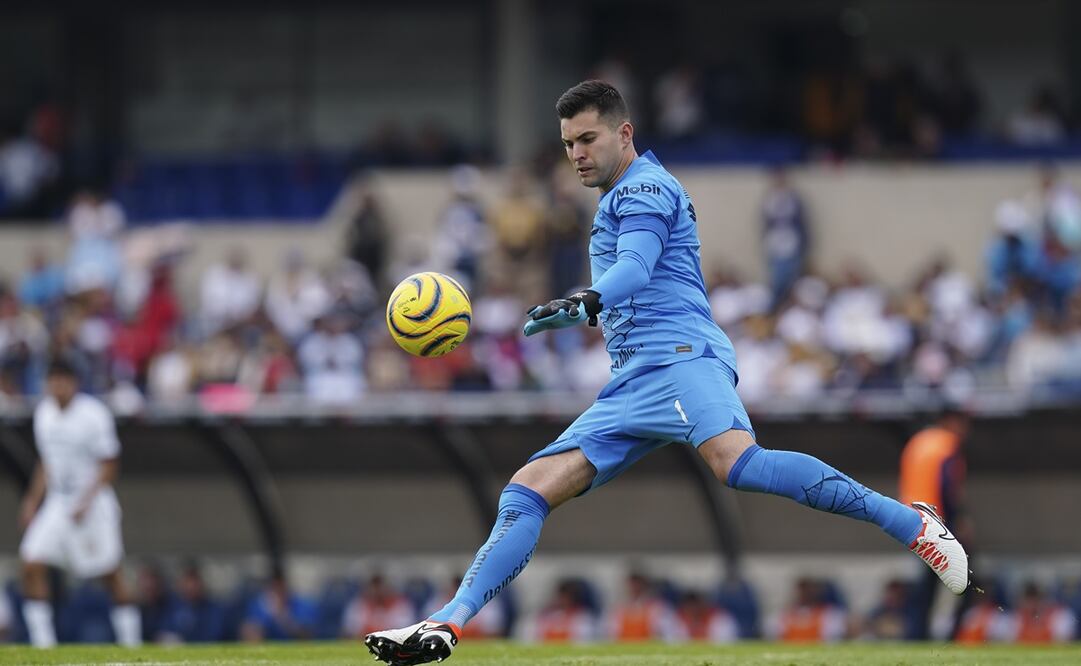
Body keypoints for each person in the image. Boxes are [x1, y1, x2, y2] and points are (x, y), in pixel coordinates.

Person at [365, 80, 970, 665]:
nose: (577, 154)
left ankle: (912, 523)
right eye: (569, 143)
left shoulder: (646, 188)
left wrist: (584, 301)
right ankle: (446, 622)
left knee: (738, 465)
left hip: (682, 359)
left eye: (588, 139)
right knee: (525, 492)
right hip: (632, 380)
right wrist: (583, 308)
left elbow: (635, 267)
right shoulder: (616, 196)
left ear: (624, 134)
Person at [17, 358, 141, 648]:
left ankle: (131, 641)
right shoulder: (44, 414)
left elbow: (109, 464)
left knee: (110, 573)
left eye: (63, 379)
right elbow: (46, 461)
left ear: (75, 383)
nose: (58, 386)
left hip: (93, 504)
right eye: (53, 379)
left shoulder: (93, 415)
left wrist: (86, 501)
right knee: (31, 562)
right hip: (58, 503)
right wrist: (33, 500)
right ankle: (43, 644)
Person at [899, 407, 972, 640]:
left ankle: (916, 633)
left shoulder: (918, 442)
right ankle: (951, 634)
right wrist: (958, 519)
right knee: (965, 578)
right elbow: (946, 485)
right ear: (948, 421)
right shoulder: (946, 444)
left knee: (926, 584)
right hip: (938, 522)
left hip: (912, 521)